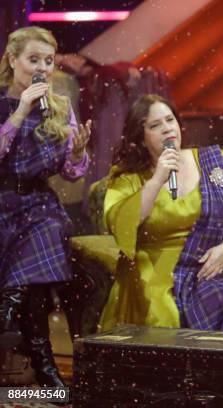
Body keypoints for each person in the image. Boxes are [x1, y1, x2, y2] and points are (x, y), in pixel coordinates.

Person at [99, 94, 223, 334]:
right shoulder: (128, 177)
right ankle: (177, 370)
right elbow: (121, 224)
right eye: (154, 126)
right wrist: (158, 179)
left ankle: (214, 368)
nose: (166, 129)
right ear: (140, 139)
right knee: (163, 310)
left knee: (221, 295)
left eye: (169, 120)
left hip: (209, 263)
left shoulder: (215, 161)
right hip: (154, 268)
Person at [0, 26, 91, 387]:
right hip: (2, 202)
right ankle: (45, 367)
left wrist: (80, 152)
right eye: (33, 59)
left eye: (48, 61)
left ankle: (5, 317)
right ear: (12, 60)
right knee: (34, 285)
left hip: (38, 203)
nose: (41, 68)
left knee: (48, 231)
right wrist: (20, 110)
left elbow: (70, 173)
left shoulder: (59, 107)